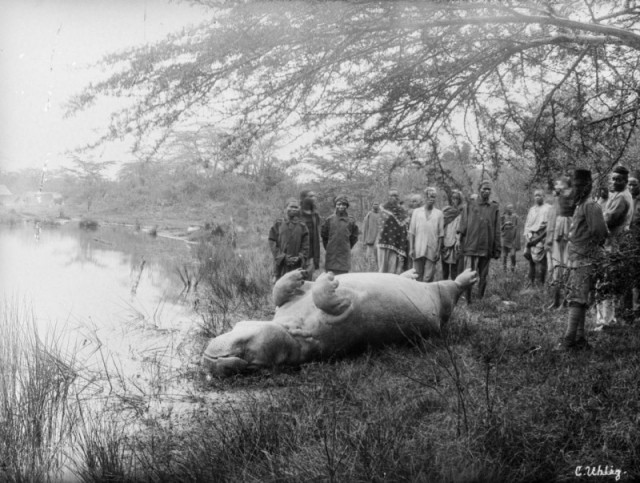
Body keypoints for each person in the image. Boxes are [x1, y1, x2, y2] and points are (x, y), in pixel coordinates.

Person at [558, 168, 607, 351]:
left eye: (581, 185)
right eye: (575, 185)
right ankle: (579, 339)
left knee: (577, 298)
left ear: (588, 186)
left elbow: (600, 232)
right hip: (577, 258)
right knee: (578, 297)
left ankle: (569, 340)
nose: (577, 189)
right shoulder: (580, 204)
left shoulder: (590, 205)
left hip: (585, 259)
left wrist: (590, 252)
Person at [595, 166, 634, 331]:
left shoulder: (621, 197)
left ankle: (607, 321)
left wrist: (596, 216)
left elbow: (607, 221)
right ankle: (605, 319)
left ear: (626, 181)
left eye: (620, 179)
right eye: (613, 178)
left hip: (613, 244)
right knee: (604, 281)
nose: (615, 181)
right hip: (613, 243)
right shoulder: (618, 194)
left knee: (606, 283)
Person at [456, 180, 501, 302]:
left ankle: (480, 299)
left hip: (486, 246)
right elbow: (462, 226)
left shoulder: (494, 207)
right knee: (469, 273)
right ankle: (468, 300)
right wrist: (459, 243)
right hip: (471, 245)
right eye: (484, 189)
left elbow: (497, 229)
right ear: (479, 190)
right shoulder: (470, 205)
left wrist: (497, 248)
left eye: (488, 189)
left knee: (483, 275)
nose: (486, 191)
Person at [546, 176, 574, 308]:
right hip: (558, 235)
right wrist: (549, 239)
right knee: (557, 268)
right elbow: (551, 220)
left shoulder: (573, 195)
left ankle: (565, 301)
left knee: (568, 268)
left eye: (561, 185)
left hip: (570, 233)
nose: (558, 187)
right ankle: (556, 301)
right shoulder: (556, 201)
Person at [268, 198, 310, 281]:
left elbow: (306, 245)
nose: (293, 209)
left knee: (297, 288)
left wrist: (300, 257)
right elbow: (272, 241)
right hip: (281, 265)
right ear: (285, 208)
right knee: (280, 287)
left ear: (299, 209)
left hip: (296, 264)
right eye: (291, 207)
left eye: (296, 207)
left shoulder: (302, 226)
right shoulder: (278, 224)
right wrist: (282, 257)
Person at [409, 187, 444, 282]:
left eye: (433, 197)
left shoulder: (439, 214)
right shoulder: (416, 212)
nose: (431, 199)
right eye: (429, 197)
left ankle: (427, 295)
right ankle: (416, 295)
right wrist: (411, 248)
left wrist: (438, 251)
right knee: (416, 275)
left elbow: (441, 234)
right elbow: (412, 232)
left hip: (432, 247)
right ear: (425, 198)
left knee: (428, 277)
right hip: (418, 247)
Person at [321, 194, 359, 275]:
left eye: (343, 204)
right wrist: (329, 247)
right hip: (331, 253)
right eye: (339, 204)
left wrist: (347, 246)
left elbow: (354, 237)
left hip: (344, 253)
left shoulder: (351, 220)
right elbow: (324, 236)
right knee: (330, 276)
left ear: (347, 206)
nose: (341, 206)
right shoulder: (329, 220)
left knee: (343, 277)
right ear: (335, 205)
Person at [524, 189, 551, 286]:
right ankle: (530, 283)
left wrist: (538, 239)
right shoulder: (532, 209)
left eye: (539, 195)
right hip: (531, 238)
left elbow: (549, 227)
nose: (537, 197)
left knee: (542, 263)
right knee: (531, 262)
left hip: (542, 238)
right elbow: (527, 225)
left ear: (544, 196)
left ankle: (541, 284)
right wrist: (528, 240)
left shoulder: (548, 208)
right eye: (535, 195)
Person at [378, 189, 409, 274]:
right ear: (388, 197)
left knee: (393, 268)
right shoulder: (383, 208)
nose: (394, 197)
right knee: (383, 268)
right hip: (384, 241)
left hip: (396, 243)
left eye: (395, 195)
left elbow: (404, 226)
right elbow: (381, 225)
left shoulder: (401, 211)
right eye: (392, 195)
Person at [441, 190, 464, 280]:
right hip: (445, 241)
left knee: (455, 269)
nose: (454, 200)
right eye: (453, 198)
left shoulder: (462, 211)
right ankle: (443, 288)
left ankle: (454, 288)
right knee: (445, 269)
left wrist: (458, 239)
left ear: (460, 200)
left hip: (456, 242)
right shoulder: (446, 211)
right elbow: (441, 225)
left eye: (457, 198)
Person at [299, 190, 321, 280]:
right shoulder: (297, 213)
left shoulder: (315, 214)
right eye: (310, 196)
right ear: (303, 198)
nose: (313, 198)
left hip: (311, 253)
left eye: (314, 196)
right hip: (298, 252)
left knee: (308, 279)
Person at [500, 203, 521, 272]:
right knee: (504, 255)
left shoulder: (515, 217)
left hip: (512, 239)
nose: (511, 210)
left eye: (512, 208)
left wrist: (516, 240)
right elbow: (499, 228)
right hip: (504, 238)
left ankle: (513, 268)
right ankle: (504, 270)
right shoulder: (503, 217)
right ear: (506, 209)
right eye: (510, 208)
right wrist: (505, 224)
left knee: (512, 255)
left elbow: (518, 228)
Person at [362, 202, 381, 271]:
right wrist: (364, 239)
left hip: (379, 240)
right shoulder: (369, 214)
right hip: (370, 239)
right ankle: (369, 270)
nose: (376, 205)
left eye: (377, 204)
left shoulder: (381, 214)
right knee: (369, 256)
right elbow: (365, 227)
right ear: (372, 206)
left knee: (377, 257)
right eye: (374, 204)